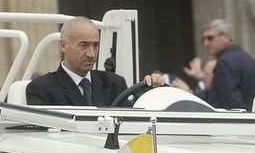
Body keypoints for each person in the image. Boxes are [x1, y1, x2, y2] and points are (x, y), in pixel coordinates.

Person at [26, 17, 164, 106]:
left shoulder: (115, 84)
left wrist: (151, 91)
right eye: (83, 45)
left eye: (95, 45)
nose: (92, 53)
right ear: (63, 45)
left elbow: (131, 126)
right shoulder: (41, 89)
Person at [184, 19, 255, 110]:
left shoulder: (225, 62)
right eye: (203, 39)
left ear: (226, 36)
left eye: (210, 38)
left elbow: (230, 105)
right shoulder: (249, 58)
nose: (206, 43)